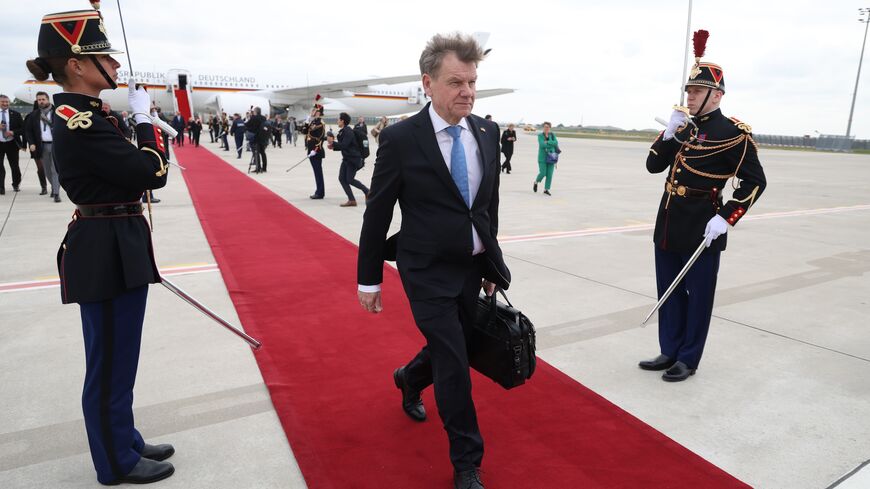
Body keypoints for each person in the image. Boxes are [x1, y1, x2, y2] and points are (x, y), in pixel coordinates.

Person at [26, 8, 175, 485]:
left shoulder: (90, 115)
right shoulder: (79, 121)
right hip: (104, 249)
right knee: (109, 361)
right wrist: (146, 121)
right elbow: (151, 172)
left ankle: (123, 437)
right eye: (104, 57)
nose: (114, 64)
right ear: (76, 64)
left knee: (121, 356)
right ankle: (115, 462)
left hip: (116, 241)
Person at [357, 33, 510, 489]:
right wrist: (369, 279)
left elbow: (487, 207)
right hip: (425, 271)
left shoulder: (487, 132)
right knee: (453, 361)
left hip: (471, 268)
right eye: (456, 82)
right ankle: (467, 462)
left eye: (472, 82)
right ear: (428, 83)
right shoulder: (402, 139)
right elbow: (378, 212)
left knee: (456, 345)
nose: (468, 91)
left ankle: (409, 378)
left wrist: (491, 264)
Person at [639, 36, 767, 382]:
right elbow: (653, 166)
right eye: (689, 91)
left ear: (717, 95)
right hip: (669, 220)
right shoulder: (683, 127)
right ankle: (669, 350)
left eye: (697, 91)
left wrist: (726, 218)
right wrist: (669, 135)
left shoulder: (733, 134)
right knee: (669, 290)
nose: (690, 97)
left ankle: (688, 358)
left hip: (702, 225)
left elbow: (756, 182)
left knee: (698, 297)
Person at [24, 91, 62, 201]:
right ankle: (54, 186)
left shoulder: (57, 113)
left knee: (55, 170)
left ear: (48, 100)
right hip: (42, 146)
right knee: (47, 170)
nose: (41, 101)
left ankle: (56, 193)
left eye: (43, 99)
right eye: (39, 100)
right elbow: (28, 131)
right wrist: (31, 143)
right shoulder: (34, 115)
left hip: (56, 145)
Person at [328, 112, 369, 207]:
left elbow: (344, 145)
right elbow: (344, 146)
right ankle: (352, 200)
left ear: (342, 121)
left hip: (353, 159)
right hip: (347, 158)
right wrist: (333, 146)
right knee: (342, 179)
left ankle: (368, 191)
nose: (337, 121)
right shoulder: (343, 131)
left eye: (338, 119)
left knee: (349, 179)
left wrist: (333, 143)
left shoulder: (348, 131)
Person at [0, 94, 25, 195]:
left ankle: (16, 184)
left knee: (14, 166)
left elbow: (23, 129)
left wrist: (13, 132)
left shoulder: (16, 114)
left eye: (7, 102)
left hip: (12, 143)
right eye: (3, 102)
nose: (5, 103)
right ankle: (1, 187)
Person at [305, 106, 326, 198]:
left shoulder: (320, 123)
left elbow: (321, 139)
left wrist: (315, 150)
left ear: (318, 112)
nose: (312, 111)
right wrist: (307, 121)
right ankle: (319, 191)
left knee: (318, 173)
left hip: (316, 152)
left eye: (314, 110)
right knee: (316, 173)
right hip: (311, 151)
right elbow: (304, 131)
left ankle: (320, 193)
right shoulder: (313, 121)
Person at [533, 122, 558, 195]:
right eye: (545, 127)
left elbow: (556, 143)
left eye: (547, 127)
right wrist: (551, 144)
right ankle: (536, 182)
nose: (546, 128)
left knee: (549, 174)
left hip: (551, 157)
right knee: (543, 173)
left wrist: (547, 142)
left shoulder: (552, 135)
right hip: (542, 157)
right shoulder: (540, 135)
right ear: (543, 128)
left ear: (550, 128)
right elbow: (542, 145)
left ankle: (546, 189)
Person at [245, 107, 268, 172]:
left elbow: (247, 124)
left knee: (256, 152)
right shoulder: (264, 118)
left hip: (256, 137)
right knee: (263, 153)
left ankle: (258, 167)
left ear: (255, 112)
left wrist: (249, 118)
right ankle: (264, 168)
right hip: (263, 137)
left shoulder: (254, 118)